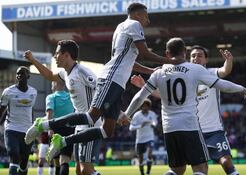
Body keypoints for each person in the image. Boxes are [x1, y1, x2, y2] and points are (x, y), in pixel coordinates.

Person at [25, 3, 183, 166]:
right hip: (112, 77)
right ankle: (42, 125)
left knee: (107, 130)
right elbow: (144, 53)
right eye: (146, 16)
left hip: (117, 80)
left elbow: (128, 62)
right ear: (137, 14)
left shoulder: (121, 28)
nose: (148, 21)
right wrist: (170, 62)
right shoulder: (134, 24)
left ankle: (64, 141)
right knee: (91, 116)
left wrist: (150, 71)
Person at [119, 37, 246, 175]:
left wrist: (127, 114)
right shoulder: (194, 70)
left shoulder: (160, 72)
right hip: (190, 126)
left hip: (169, 129)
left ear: (167, 53)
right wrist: (241, 88)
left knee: (176, 170)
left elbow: (140, 96)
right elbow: (222, 85)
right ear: (186, 53)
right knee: (200, 168)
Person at [24, 41, 115, 175]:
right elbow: (49, 75)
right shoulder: (66, 73)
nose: (55, 56)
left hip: (91, 124)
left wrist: (118, 112)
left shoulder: (82, 71)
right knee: (80, 171)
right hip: (79, 125)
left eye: (57, 53)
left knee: (86, 169)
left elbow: (103, 89)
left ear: (66, 55)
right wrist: (33, 60)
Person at [129, 98, 158, 175]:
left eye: (147, 106)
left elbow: (155, 122)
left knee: (149, 154)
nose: (145, 107)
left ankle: (148, 174)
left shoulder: (152, 114)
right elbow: (131, 128)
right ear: (141, 107)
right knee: (140, 159)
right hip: (140, 139)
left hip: (150, 138)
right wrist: (140, 126)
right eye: (143, 106)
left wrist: (152, 124)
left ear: (149, 107)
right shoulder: (137, 115)